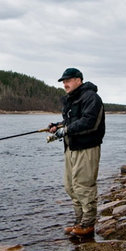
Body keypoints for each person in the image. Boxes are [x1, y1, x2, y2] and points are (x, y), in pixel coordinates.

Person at [49, 68, 105, 237]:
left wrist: (65, 130)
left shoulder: (91, 97)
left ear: (78, 80)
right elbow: (70, 121)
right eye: (63, 82)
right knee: (71, 187)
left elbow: (89, 122)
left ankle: (88, 224)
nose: (65, 84)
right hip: (71, 148)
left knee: (84, 186)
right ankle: (79, 221)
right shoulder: (71, 99)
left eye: (68, 80)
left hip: (86, 148)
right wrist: (58, 126)